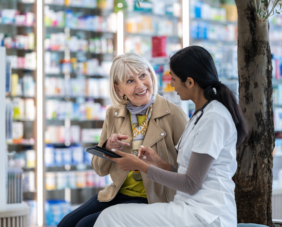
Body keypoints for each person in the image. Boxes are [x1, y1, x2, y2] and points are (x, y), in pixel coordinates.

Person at [94, 46, 249, 227]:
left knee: (111, 217)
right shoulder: (200, 115)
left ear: (190, 82)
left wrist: (141, 166)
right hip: (190, 207)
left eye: (173, 79)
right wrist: (159, 163)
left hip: (207, 215)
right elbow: (189, 175)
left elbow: (191, 183)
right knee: (105, 216)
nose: (171, 84)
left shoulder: (214, 117)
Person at [58, 53, 188, 227]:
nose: (140, 85)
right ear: (119, 89)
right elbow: (99, 170)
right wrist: (108, 147)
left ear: (150, 74)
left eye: (143, 75)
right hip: (117, 193)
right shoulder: (114, 113)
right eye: (129, 81)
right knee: (66, 223)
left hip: (152, 198)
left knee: (85, 225)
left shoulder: (173, 113)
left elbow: (188, 171)